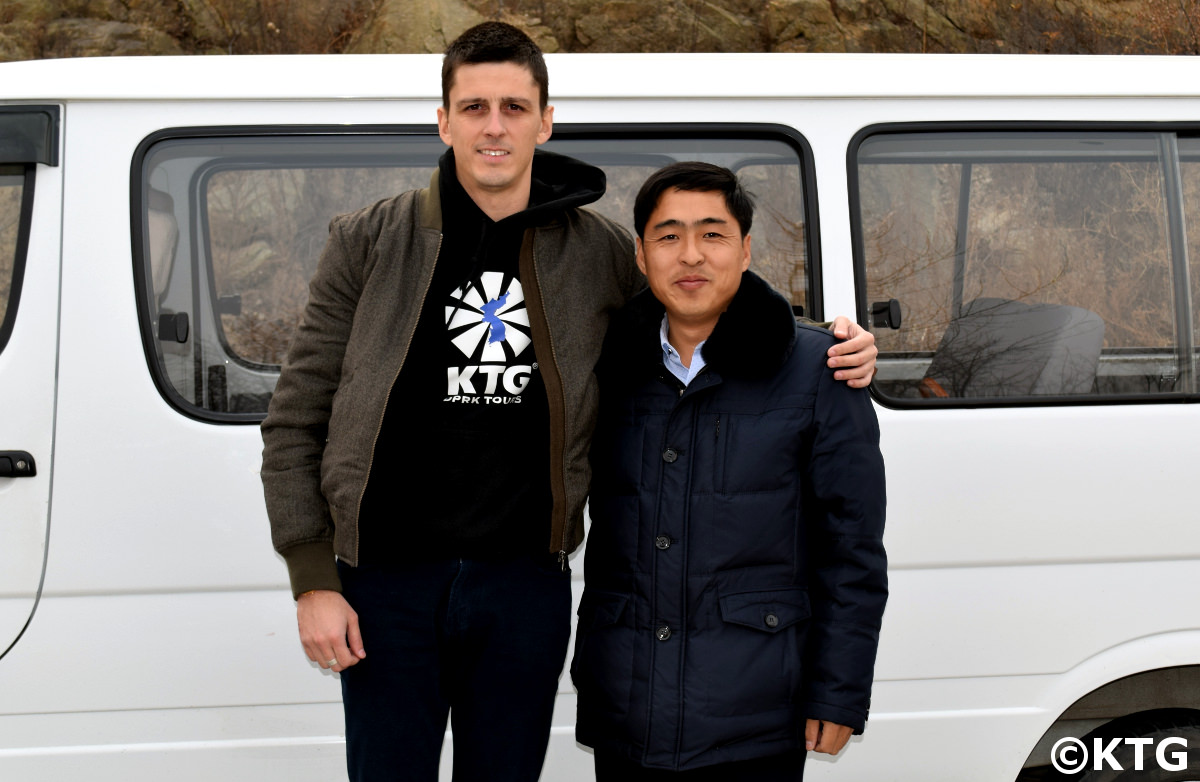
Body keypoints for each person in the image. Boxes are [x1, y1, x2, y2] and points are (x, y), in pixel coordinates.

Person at [260, 22, 879, 782]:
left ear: (545, 121)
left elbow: (696, 296)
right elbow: (296, 417)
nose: (495, 127)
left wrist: (826, 341)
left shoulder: (596, 250)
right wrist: (314, 577)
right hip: (384, 584)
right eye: (476, 106)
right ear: (444, 120)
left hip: (524, 583)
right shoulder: (368, 241)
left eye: (515, 108)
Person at [572, 162, 888, 781]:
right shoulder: (602, 369)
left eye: (712, 234)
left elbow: (852, 547)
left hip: (757, 716)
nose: (690, 254)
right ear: (640, 255)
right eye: (668, 236)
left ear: (745, 250)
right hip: (627, 707)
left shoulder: (821, 370)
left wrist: (838, 691)